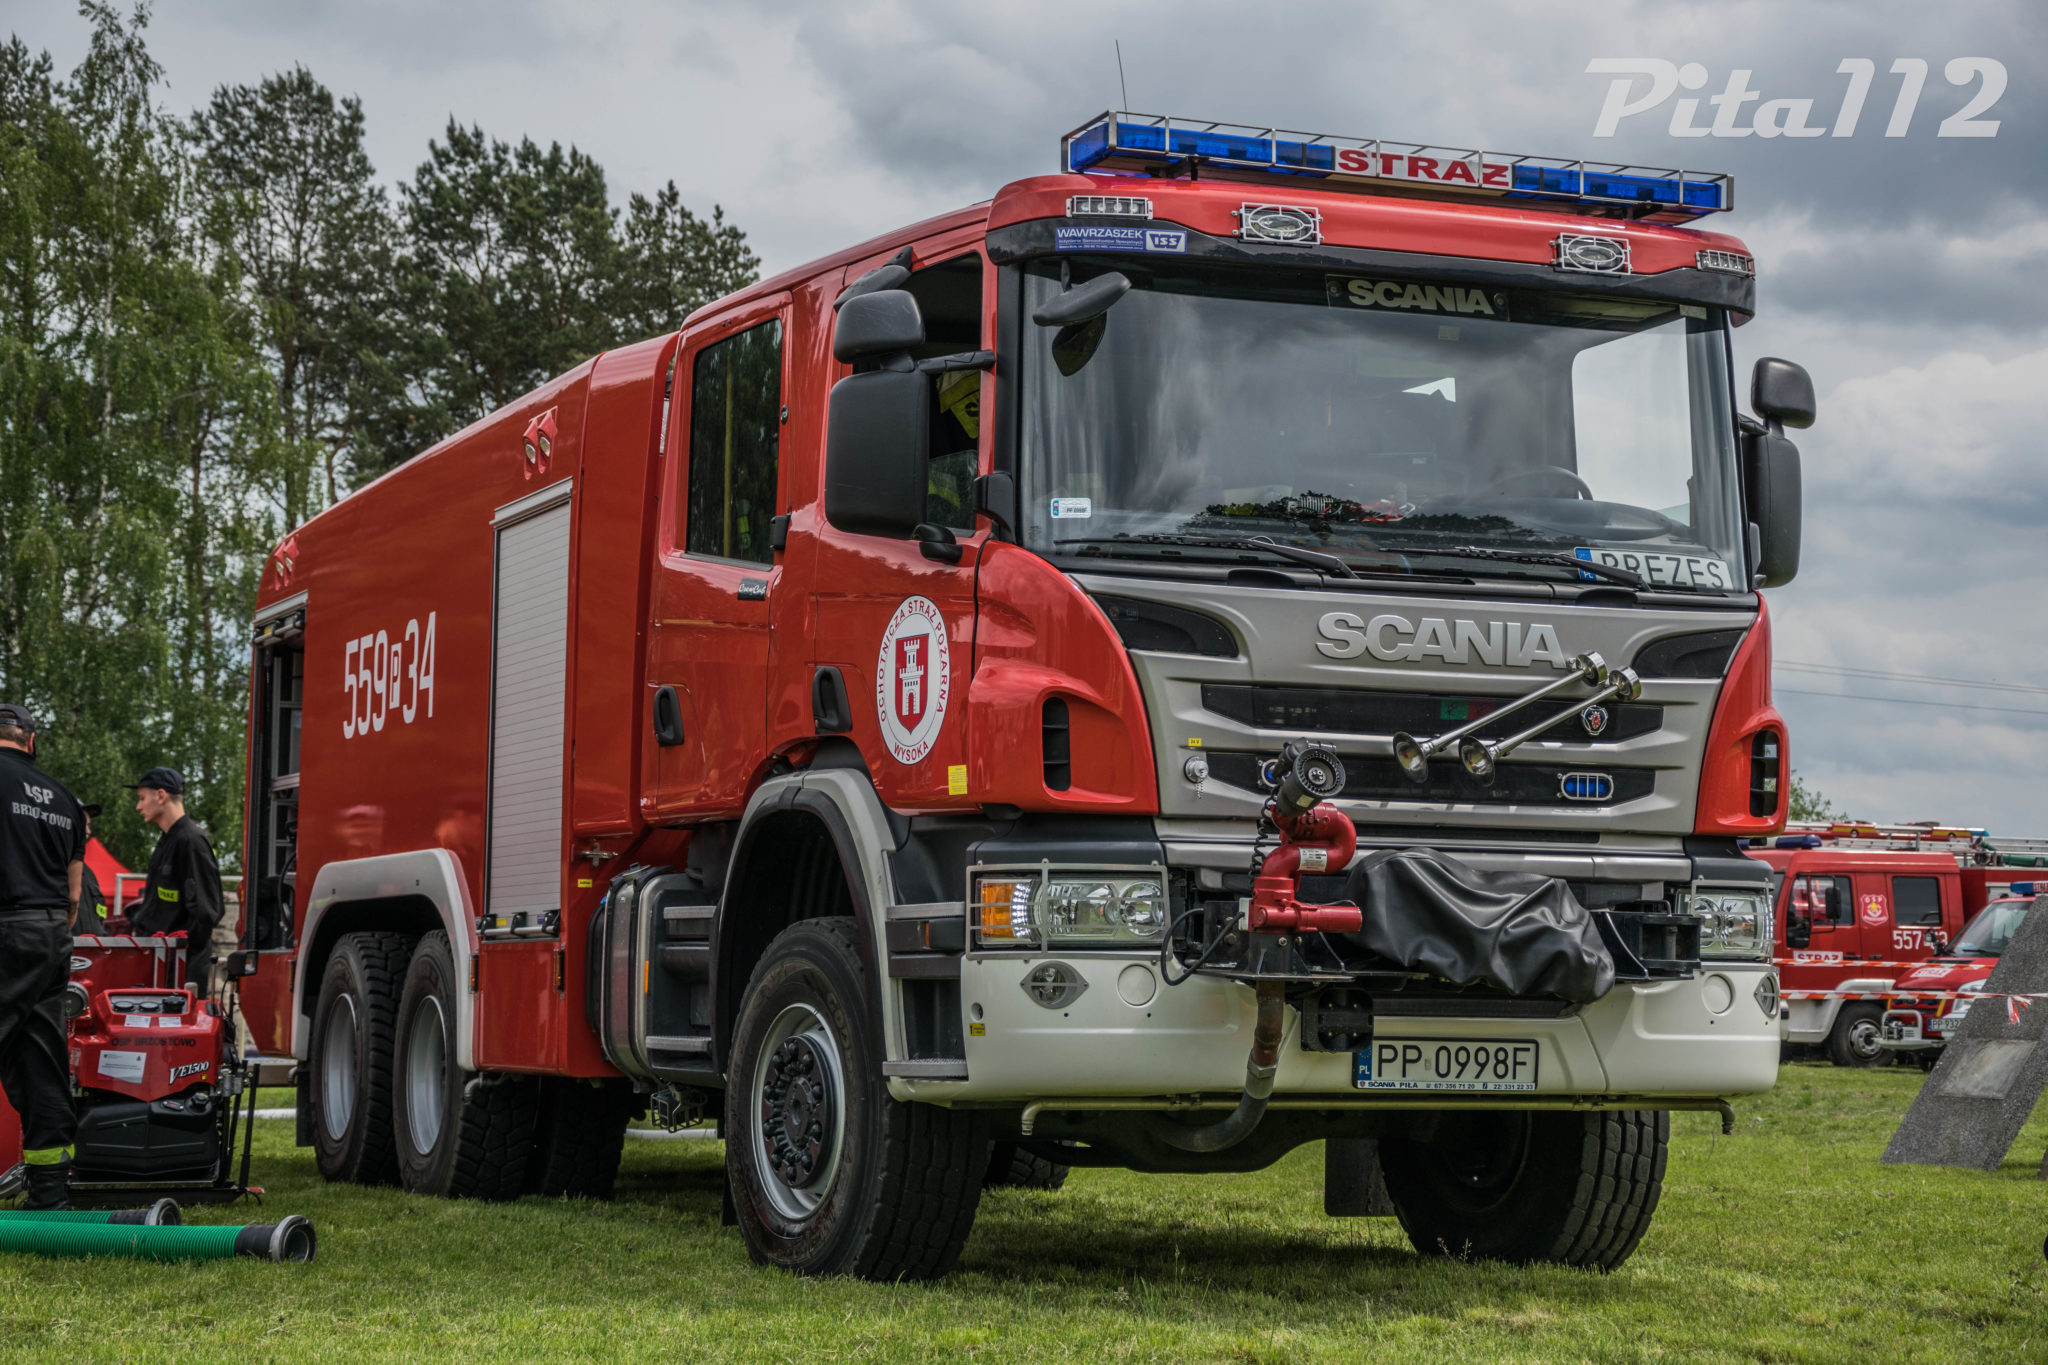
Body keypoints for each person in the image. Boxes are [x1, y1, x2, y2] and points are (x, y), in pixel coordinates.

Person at [0, 703, 84, 1209]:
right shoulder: (63, 798)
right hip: (51, 936)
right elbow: (74, 896)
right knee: (40, 1064)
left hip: (6, 929)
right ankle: (50, 1194)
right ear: (31, 742)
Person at [126, 767, 224, 988]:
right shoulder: (167, 841)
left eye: (142, 798)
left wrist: (176, 954)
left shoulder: (191, 841)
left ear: (161, 796)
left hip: (179, 971)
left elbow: (206, 913)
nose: (138, 806)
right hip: (161, 964)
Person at [75, 804, 108, 932]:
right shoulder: (48, 869)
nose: (88, 831)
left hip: (93, 944)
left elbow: (100, 918)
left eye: (88, 825)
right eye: (83, 825)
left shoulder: (89, 874)